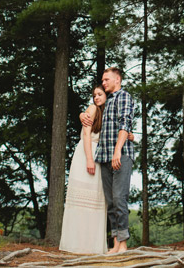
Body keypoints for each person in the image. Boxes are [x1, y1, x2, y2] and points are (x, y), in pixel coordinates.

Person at [82, 67, 134, 254]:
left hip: (120, 155)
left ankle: (124, 244)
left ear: (117, 79)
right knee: (111, 201)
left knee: (120, 198)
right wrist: (83, 115)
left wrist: (117, 151)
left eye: (106, 80)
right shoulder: (107, 100)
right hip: (104, 157)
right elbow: (92, 114)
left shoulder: (124, 97)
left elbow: (125, 123)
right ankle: (115, 243)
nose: (103, 83)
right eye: (102, 80)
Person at [59, 86, 108, 254]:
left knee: (96, 200)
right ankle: (76, 244)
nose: (96, 97)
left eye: (100, 94)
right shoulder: (93, 109)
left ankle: (91, 246)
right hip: (87, 153)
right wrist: (89, 158)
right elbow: (86, 134)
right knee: (82, 198)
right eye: (94, 95)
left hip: (99, 155)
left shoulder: (106, 113)